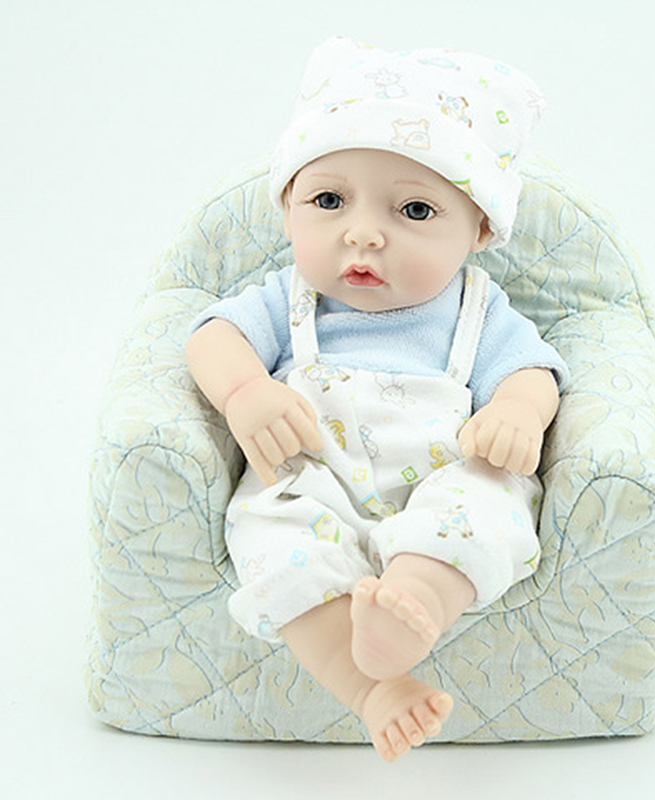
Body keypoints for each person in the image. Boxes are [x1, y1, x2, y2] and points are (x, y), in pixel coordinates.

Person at [185, 36, 568, 762]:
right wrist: (244, 391)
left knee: (485, 502)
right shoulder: (286, 299)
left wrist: (517, 414)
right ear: (289, 207)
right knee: (274, 542)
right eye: (329, 200)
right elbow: (211, 337)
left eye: (415, 210)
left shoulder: (477, 311)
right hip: (310, 478)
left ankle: (416, 599)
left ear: (478, 229)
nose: (363, 233)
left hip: (442, 472)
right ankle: (371, 690)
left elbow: (532, 370)